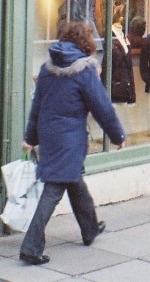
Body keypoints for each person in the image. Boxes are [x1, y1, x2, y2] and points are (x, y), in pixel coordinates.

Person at [19, 22, 126, 266]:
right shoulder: (85, 70)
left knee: (74, 180)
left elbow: (37, 105)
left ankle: (89, 229)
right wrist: (117, 135)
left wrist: (31, 137)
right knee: (55, 187)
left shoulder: (47, 68)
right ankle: (31, 246)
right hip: (70, 137)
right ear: (85, 43)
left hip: (50, 134)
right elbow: (102, 106)